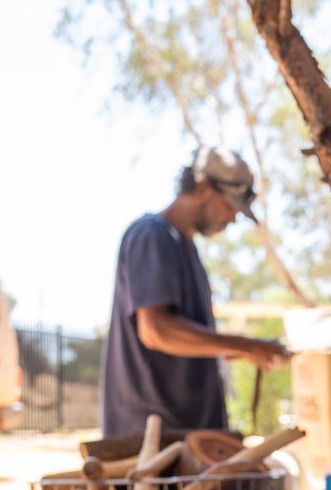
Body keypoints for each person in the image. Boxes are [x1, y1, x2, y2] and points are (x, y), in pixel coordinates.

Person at [100, 147, 289, 437]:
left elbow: (189, 347)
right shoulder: (151, 235)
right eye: (229, 205)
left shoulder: (185, 249)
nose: (232, 219)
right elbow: (156, 331)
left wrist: (251, 351)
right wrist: (247, 345)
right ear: (203, 188)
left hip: (191, 435)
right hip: (154, 442)